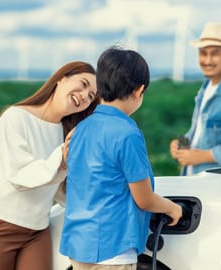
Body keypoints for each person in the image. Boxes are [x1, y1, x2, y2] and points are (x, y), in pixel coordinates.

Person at [0, 61, 99, 270]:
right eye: (83, 83)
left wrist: (102, 206)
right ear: (61, 78)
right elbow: (20, 176)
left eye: (91, 96)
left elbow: (60, 191)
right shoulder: (16, 117)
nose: (85, 95)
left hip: (36, 231)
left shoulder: (66, 132)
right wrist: (60, 157)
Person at [60, 46, 183, 269]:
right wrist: (172, 208)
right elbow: (144, 199)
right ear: (139, 90)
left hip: (78, 248)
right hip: (113, 251)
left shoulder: (80, 129)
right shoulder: (127, 133)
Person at [170, 22, 221, 175]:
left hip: (215, 186)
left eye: (214, 53)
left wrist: (202, 156)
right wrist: (180, 143)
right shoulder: (206, 87)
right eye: (203, 53)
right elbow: (200, 132)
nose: (207, 60)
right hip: (194, 181)